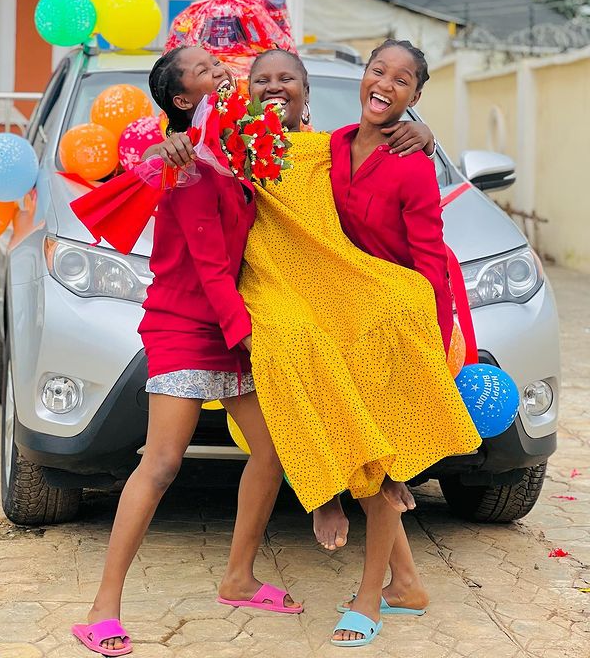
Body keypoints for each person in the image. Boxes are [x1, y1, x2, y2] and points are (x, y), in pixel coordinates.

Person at [233, 40, 481, 645]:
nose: (387, 84)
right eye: (379, 71)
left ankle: (369, 600)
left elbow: (428, 256)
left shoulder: (411, 158)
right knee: (372, 445)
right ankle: (405, 584)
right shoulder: (332, 145)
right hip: (337, 305)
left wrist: (436, 334)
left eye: (403, 81)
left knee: (384, 450)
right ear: (362, 78)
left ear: (415, 97)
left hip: (388, 310)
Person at [152, 48, 435, 555]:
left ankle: (391, 465)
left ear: (307, 91)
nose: (275, 86)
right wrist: (171, 141)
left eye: (287, 78)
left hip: (325, 278)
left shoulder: (329, 148)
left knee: (386, 314)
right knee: (292, 342)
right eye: (262, 79)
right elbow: (173, 155)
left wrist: (425, 132)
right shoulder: (230, 146)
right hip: (266, 283)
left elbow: (375, 141)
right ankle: (324, 489)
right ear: (246, 91)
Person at [72, 46, 301, 658]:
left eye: (216, 63)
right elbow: (205, 263)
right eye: (203, 71)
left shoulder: (239, 150)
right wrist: (249, 334)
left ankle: (238, 577)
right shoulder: (188, 165)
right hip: (184, 325)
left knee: (272, 452)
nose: (219, 70)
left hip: (231, 324)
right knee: (163, 464)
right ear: (182, 99)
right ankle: (101, 611)